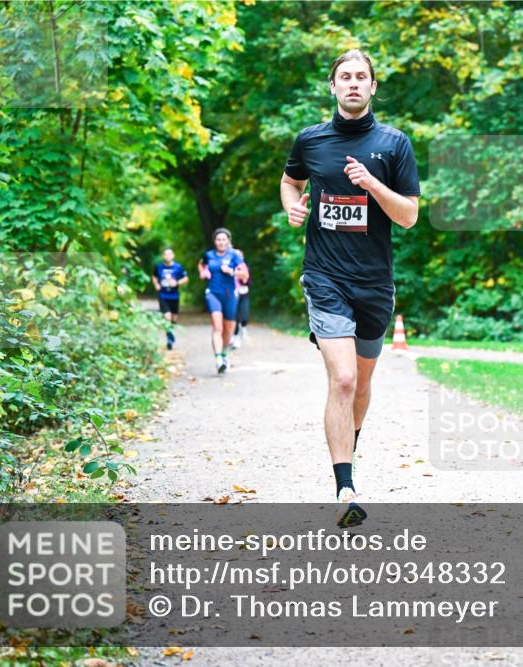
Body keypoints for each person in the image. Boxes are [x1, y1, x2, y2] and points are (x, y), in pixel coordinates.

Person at [280, 49, 420, 528]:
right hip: (325, 276)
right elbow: (289, 181)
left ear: (373, 87)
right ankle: (346, 487)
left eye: (362, 76)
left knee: (361, 385)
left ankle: (348, 455)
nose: (354, 83)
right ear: (333, 86)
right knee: (341, 380)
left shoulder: (394, 144)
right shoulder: (311, 140)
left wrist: (373, 185)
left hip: (375, 284)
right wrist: (292, 207)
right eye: (346, 77)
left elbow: (409, 216)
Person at [198, 228, 247, 373]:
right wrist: (203, 272)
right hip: (213, 293)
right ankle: (218, 359)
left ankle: (224, 353)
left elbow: (244, 274)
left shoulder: (234, 255)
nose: (221, 242)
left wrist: (232, 272)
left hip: (230, 295)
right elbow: (201, 264)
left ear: (228, 241)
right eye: (218, 240)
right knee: (217, 327)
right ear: (215, 241)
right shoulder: (209, 255)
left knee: (229, 329)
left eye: (224, 239)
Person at [150, 248, 188, 350]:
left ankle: (171, 333)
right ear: (163, 256)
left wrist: (177, 283)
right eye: (165, 254)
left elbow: (185, 278)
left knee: (174, 319)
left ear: (173, 255)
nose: (168, 256)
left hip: (174, 296)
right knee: (167, 317)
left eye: (169, 254)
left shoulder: (178, 267)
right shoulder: (159, 267)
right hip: (163, 295)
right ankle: (169, 339)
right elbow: (154, 276)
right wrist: (156, 284)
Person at [230, 247, 251, 349]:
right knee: (235, 317)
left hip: (244, 293)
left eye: (240, 255)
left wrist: (242, 277)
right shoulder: (229, 267)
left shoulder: (245, 267)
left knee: (244, 315)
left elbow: (248, 281)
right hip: (232, 294)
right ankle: (235, 338)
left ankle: (244, 327)